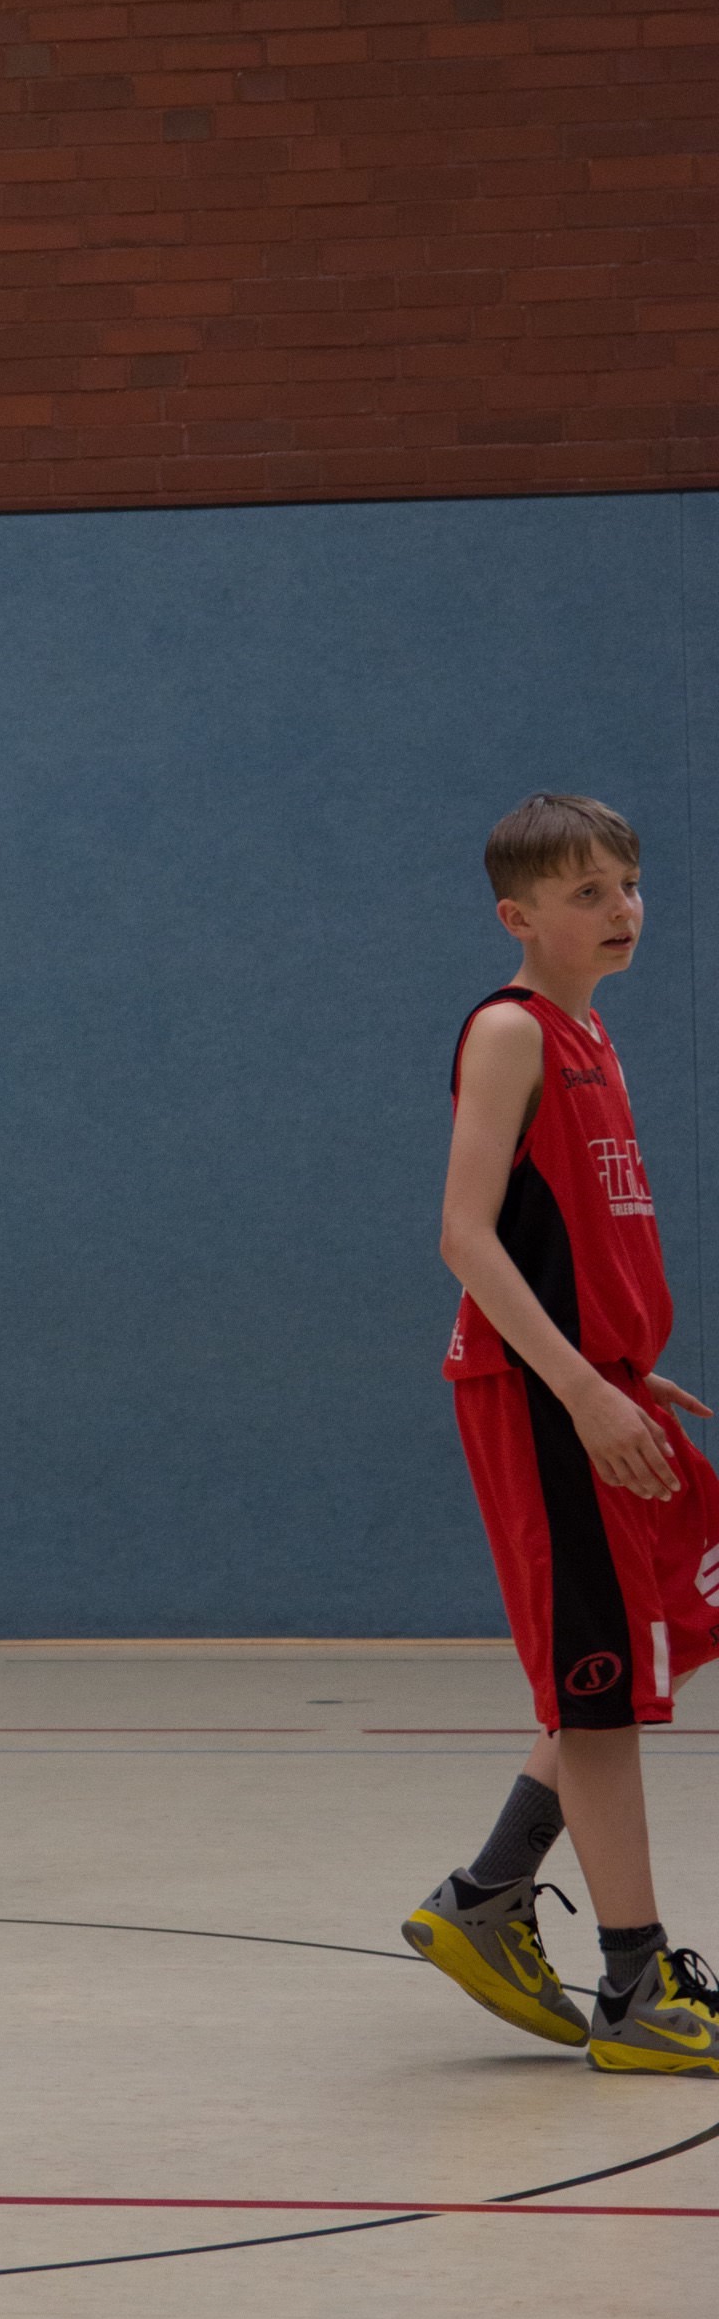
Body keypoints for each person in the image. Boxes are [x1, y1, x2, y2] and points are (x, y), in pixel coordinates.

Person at [404, 794, 719, 2071]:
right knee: (597, 1698)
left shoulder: (594, 1036)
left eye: (626, 884)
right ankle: (634, 1986)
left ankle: (489, 1889)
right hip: (544, 1399)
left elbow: (575, 1238)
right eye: (585, 892)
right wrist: (582, 1390)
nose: (619, 909)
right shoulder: (508, 1030)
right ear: (516, 916)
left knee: (666, 1629)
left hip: (601, 1386)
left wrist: (628, 1369)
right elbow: (463, 1235)